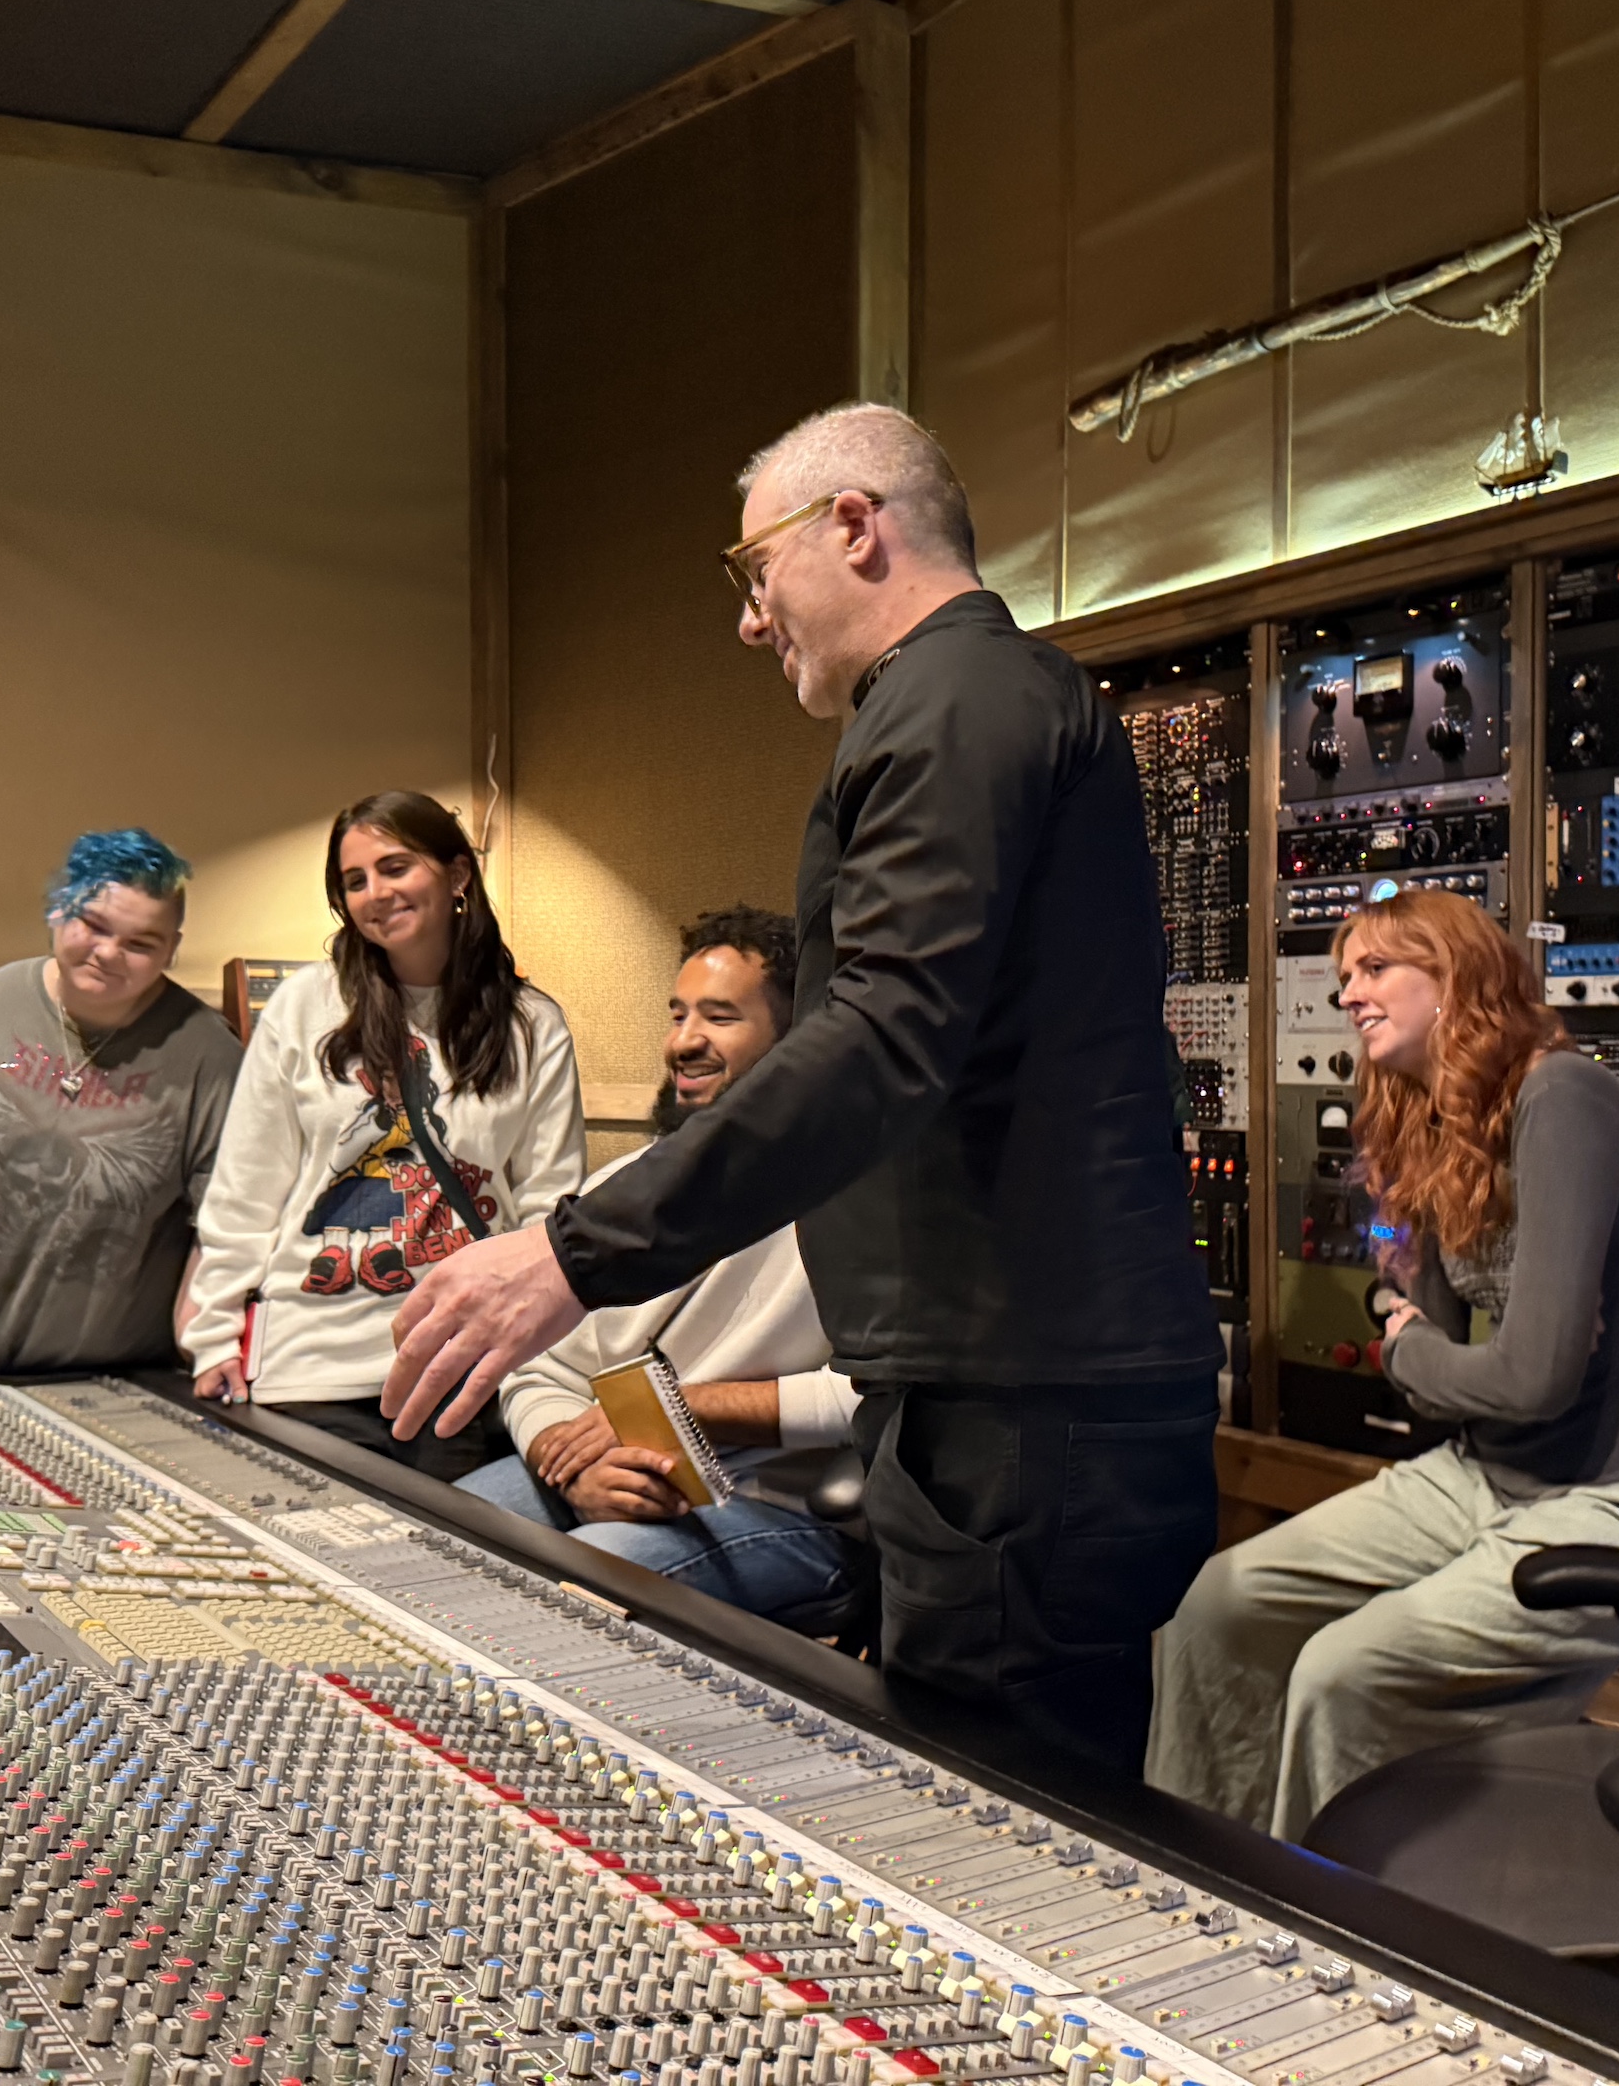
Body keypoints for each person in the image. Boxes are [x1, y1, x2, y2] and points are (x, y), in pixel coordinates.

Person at [373, 404, 1223, 1769]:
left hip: (1024, 1405)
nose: (752, 622)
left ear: (854, 526)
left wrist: (573, 1255)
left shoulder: (956, 698)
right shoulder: (963, 703)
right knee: (976, 1797)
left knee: (1008, 1827)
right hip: (1003, 1390)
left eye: (753, 573)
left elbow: (886, 1036)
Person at [1145, 889, 1619, 1841]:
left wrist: (1417, 1348)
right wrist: (1419, 1340)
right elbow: (1417, 1328)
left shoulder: (1563, 1095)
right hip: (1493, 1472)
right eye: (1344, 977)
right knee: (1216, 1611)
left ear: (1455, 977)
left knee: (1346, 1673)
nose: (1350, 994)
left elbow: (1523, 1372)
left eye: (1377, 969)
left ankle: (1324, 1939)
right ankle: (1196, 1876)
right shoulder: (1437, 1121)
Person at [458, 907, 864, 1628]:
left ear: (800, 1039)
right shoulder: (642, 1184)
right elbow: (538, 1366)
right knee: (430, 1544)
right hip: (615, 1481)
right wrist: (570, 1459)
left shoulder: (862, 1203)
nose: (683, 1042)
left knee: (561, 1600)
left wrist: (685, 1407)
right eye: (677, 1015)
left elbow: (878, 1400)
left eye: (719, 1017)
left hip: (783, 1511)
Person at [181, 791, 583, 1480]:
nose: (375, 894)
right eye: (354, 881)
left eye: (395, 867)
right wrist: (213, 1333)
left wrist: (540, 1355)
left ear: (457, 876)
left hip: (459, 1368)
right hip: (310, 1371)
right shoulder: (304, 1008)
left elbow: (550, 1205)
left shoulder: (531, 1024)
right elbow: (246, 1190)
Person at [0, 829, 241, 1373]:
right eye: (93, 925)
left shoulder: (207, 1055)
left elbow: (220, 1226)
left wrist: (205, 1344)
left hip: (107, 1379)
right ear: (58, 912)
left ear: (171, 948)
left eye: (140, 943)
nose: (108, 953)